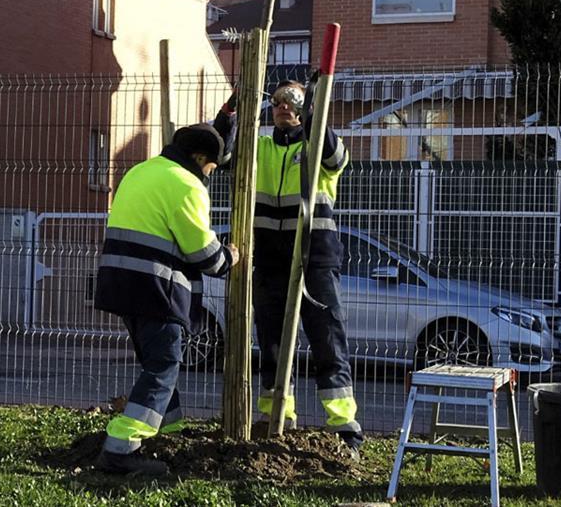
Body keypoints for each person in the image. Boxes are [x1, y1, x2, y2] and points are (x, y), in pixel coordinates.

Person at [214, 79, 363, 457]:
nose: (285, 107)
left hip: (315, 255)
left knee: (327, 339)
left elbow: (336, 157)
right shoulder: (259, 147)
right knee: (273, 343)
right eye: (279, 101)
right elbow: (222, 152)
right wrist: (231, 110)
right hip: (269, 258)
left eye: (293, 101)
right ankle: (275, 419)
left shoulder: (315, 146)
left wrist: (316, 112)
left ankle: (344, 427)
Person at [93, 123, 239, 476]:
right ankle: (120, 448)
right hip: (156, 286)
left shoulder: (141, 171)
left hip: (121, 281)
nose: (210, 175)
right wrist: (230, 257)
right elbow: (203, 252)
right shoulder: (186, 184)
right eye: (212, 168)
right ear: (200, 158)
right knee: (164, 365)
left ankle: (166, 431)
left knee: (155, 362)